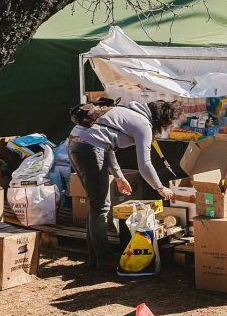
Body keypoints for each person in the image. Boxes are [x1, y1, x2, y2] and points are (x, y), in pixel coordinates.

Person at [68, 100, 183, 270]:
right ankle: (105, 259)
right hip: (89, 150)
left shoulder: (124, 111)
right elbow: (144, 164)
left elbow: (108, 146)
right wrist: (160, 187)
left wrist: (119, 177)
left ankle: (95, 258)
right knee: (100, 208)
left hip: (76, 145)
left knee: (97, 205)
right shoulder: (143, 124)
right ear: (162, 120)